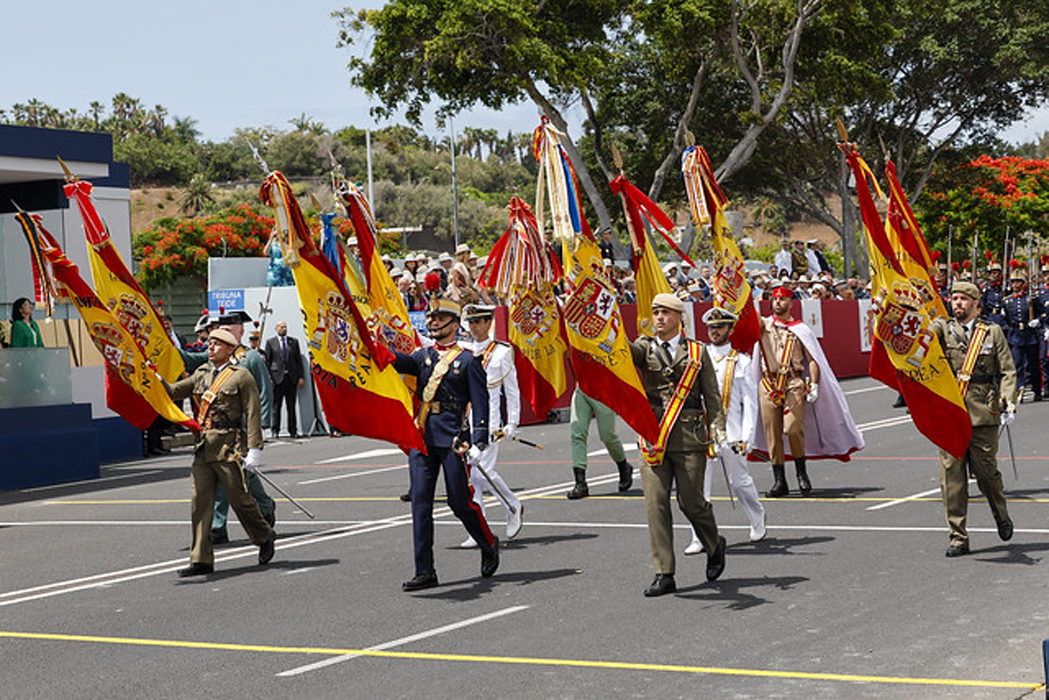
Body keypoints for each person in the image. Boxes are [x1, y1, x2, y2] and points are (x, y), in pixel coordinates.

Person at [389, 298, 500, 591]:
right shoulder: (421, 357)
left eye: (440, 318)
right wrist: (366, 339)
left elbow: (480, 401)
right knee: (420, 504)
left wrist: (479, 440)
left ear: (454, 324)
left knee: (459, 502)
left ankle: (487, 542)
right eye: (431, 318)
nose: (434, 322)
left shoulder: (466, 360)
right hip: (422, 437)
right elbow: (391, 359)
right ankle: (424, 570)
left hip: (452, 439)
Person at [629, 293, 727, 596]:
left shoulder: (697, 352)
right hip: (654, 436)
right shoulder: (645, 348)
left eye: (665, 313)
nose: (659, 317)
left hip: (688, 437)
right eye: (655, 312)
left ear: (678, 318)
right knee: (655, 504)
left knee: (691, 502)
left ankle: (713, 543)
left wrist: (718, 428)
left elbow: (711, 393)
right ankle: (664, 572)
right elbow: (625, 355)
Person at [165, 328, 276, 576]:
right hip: (204, 448)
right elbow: (174, 391)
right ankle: (201, 558)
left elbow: (252, 413)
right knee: (200, 503)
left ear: (229, 349)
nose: (211, 347)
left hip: (229, 447)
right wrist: (151, 379)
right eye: (210, 343)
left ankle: (264, 535)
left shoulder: (241, 376)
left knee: (240, 500)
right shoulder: (201, 374)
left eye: (217, 344)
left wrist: (255, 449)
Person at [753, 285, 864, 496]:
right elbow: (747, 317)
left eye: (782, 299)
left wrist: (813, 384)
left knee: (792, 428)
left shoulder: (801, 329)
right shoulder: (764, 325)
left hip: (793, 382)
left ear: (791, 303)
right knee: (772, 434)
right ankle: (779, 480)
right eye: (775, 299)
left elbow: (813, 360)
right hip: (768, 384)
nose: (778, 302)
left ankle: (801, 473)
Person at [933, 281, 1017, 557]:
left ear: (975, 303)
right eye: (954, 298)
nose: (957, 303)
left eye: (962, 299)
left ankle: (1001, 515)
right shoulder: (942, 330)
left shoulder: (991, 332)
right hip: (951, 412)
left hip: (983, 410)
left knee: (986, 473)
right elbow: (918, 343)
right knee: (952, 478)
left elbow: (1007, 370)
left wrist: (1008, 400)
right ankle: (958, 537)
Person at [685, 307, 767, 555]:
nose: (714, 331)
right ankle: (700, 536)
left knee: (740, 483)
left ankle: (757, 517)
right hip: (702, 433)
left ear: (730, 330)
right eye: (711, 327)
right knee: (698, 489)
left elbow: (750, 404)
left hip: (731, 433)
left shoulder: (741, 361)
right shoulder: (698, 358)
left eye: (720, 327)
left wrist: (747, 438)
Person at [459, 304, 524, 547]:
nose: (474, 327)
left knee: (480, 471)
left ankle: (512, 504)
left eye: (478, 322)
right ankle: (480, 527)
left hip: (491, 421)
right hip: (468, 420)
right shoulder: (464, 349)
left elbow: (512, 390)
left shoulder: (501, 352)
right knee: (473, 477)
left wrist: (512, 423)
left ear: (489, 323)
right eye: (471, 323)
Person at [209, 310, 276, 544]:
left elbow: (264, 392)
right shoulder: (217, 358)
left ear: (241, 331)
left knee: (242, 473)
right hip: (221, 429)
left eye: (229, 330)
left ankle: (265, 507)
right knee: (224, 473)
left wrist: (263, 424)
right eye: (222, 331)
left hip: (245, 427)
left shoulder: (251, 358)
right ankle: (218, 526)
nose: (225, 334)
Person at [566, 387, 635, 499]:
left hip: (603, 390)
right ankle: (580, 483)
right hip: (582, 390)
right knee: (577, 435)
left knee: (607, 436)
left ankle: (623, 466)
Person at [1002, 267, 1042, 402]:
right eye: (1013, 282)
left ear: (1023, 284)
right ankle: (1019, 388)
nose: (1015, 285)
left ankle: (1037, 390)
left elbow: (1041, 314)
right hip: (1015, 336)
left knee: (1033, 364)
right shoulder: (1007, 301)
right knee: (1016, 364)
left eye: (1018, 282)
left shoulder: (1030, 299)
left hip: (1030, 335)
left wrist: (1038, 321)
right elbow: (1007, 319)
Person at [265, 320, 305, 439]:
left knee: (291, 406)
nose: (284, 329)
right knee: (276, 406)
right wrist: (269, 379)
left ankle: (293, 430)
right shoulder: (270, 342)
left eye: (285, 327)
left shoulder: (293, 342)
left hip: (291, 378)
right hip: (277, 378)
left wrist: (301, 377)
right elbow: (268, 362)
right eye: (282, 327)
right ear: (276, 328)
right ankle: (275, 430)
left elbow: (298, 361)